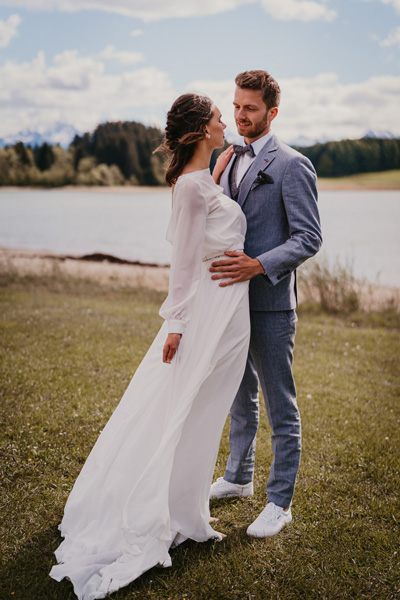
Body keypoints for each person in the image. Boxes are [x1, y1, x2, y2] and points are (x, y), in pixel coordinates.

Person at [49, 93, 250, 599]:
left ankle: (189, 513)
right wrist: (177, 323)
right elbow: (182, 263)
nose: (226, 122)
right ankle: (157, 513)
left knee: (205, 416)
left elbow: (211, 217)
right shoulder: (189, 188)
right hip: (204, 316)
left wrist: (221, 168)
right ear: (203, 130)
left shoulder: (205, 180)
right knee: (180, 411)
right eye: (219, 118)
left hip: (229, 318)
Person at [209, 70, 322, 538]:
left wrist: (258, 265)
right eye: (236, 106)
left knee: (280, 403)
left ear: (272, 112)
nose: (240, 115)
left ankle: (281, 501)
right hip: (229, 305)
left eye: (250, 108)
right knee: (238, 395)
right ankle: (238, 477)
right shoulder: (227, 159)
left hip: (272, 304)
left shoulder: (293, 165)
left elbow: (309, 237)